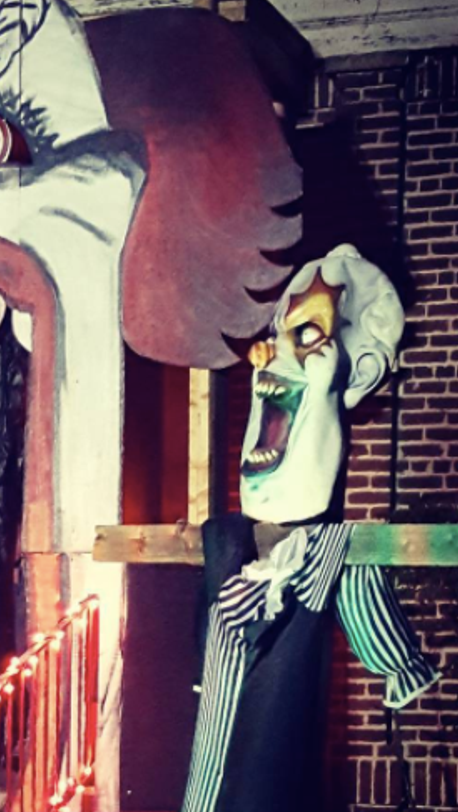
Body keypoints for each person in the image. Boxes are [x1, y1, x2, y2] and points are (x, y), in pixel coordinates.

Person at [181, 244, 440, 812]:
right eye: (277, 335)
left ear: (355, 369)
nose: (272, 355)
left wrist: (400, 667)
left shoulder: (326, 553)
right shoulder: (223, 540)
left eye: (307, 337)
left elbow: (367, 607)